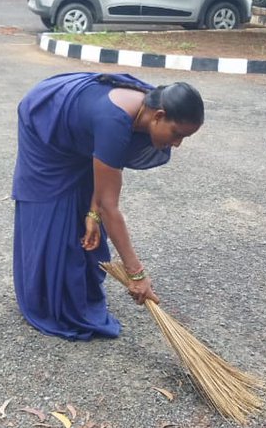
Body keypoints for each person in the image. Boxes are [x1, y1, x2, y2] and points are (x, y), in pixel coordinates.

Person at [12, 71, 204, 341]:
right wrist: (136, 273)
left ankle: (77, 292)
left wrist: (92, 212)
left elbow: (104, 177)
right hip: (46, 123)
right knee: (53, 208)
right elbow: (110, 207)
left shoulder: (153, 106)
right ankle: (45, 299)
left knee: (84, 211)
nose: (177, 144)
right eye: (176, 134)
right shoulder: (114, 121)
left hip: (84, 127)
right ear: (159, 116)